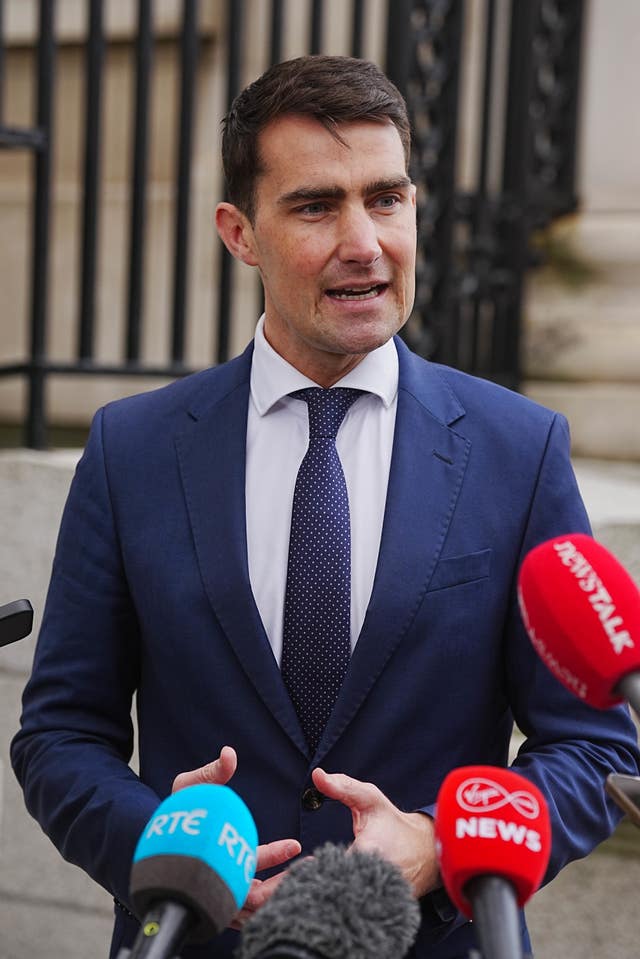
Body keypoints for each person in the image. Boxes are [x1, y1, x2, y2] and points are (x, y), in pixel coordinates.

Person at [11, 55, 639, 959]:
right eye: (316, 206)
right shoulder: (131, 449)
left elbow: (593, 747)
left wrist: (444, 844)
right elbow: (61, 733)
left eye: (386, 198)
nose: (364, 242)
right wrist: (159, 845)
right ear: (240, 233)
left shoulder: (518, 448)